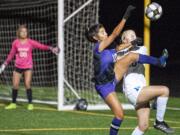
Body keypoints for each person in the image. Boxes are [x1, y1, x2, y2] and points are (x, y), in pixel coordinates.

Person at [86, 5, 168, 135]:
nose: (105, 33)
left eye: (104, 31)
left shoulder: (107, 49)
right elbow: (115, 34)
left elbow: (118, 49)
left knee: (131, 56)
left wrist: (132, 43)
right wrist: (125, 16)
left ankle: (159, 62)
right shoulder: (98, 47)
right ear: (95, 38)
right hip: (104, 86)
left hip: (113, 76)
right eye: (102, 33)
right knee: (119, 115)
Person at [120, 29, 174, 134]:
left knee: (143, 126)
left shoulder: (142, 49)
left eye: (134, 35)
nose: (133, 37)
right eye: (130, 36)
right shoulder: (121, 53)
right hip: (132, 89)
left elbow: (140, 57)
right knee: (164, 90)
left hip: (140, 89)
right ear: (123, 40)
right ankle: (159, 121)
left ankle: (156, 103)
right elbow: (122, 52)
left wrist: (131, 43)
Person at [0, 24, 59, 110]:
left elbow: (41, 46)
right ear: (19, 33)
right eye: (22, 32)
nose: (24, 33)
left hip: (28, 66)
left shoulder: (30, 42)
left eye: (25, 32)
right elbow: (11, 54)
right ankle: (13, 103)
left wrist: (51, 48)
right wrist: (5, 64)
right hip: (18, 66)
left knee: (27, 84)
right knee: (15, 85)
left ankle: (30, 104)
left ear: (27, 33)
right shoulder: (15, 43)